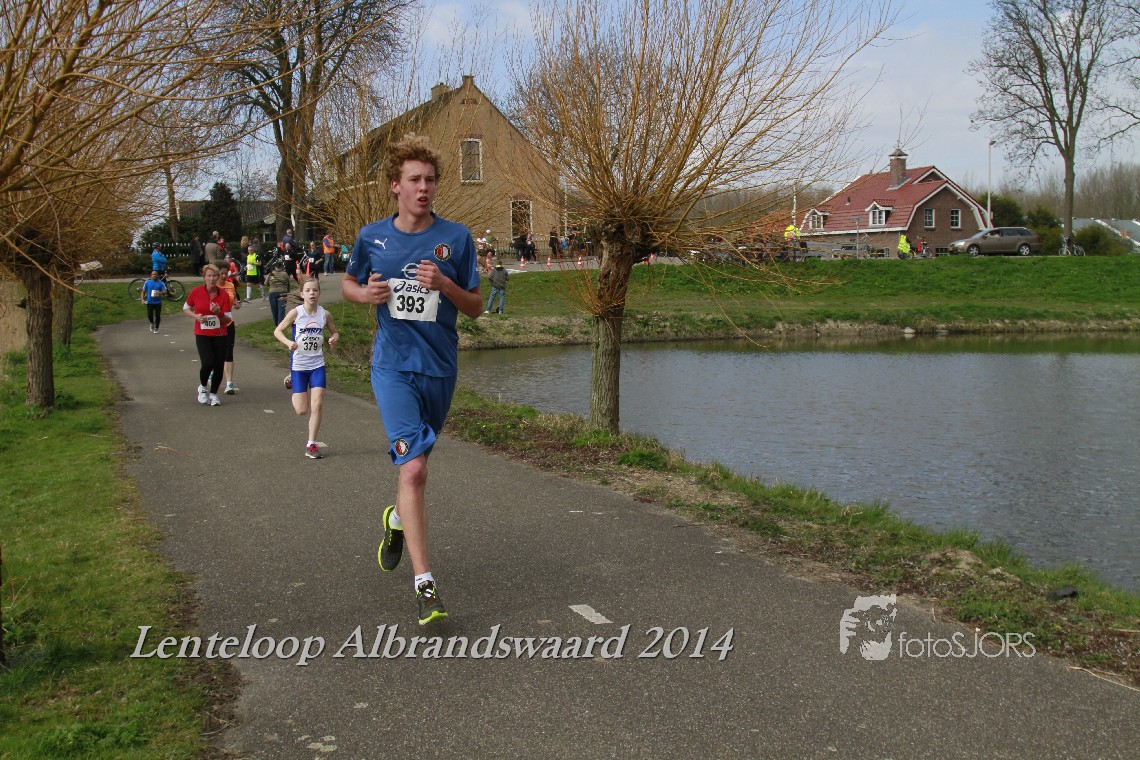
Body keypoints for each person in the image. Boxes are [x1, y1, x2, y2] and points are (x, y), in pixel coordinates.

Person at [342, 133, 482, 626]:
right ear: (394, 186)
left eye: (431, 180)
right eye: (415, 180)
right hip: (392, 367)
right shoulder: (372, 237)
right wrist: (365, 296)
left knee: (415, 469)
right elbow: (348, 282)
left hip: (439, 367)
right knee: (415, 470)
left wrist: (445, 285)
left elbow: (476, 306)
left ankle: (397, 519)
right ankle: (426, 586)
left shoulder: (457, 238)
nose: (424, 188)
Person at [274, 277, 340, 459]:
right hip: (299, 366)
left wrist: (334, 338)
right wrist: (289, 343)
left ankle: (311, 444)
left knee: (317, 404)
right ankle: (291, 379)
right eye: (308, 290)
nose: (312, 293)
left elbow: (335, 332)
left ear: (319, 293)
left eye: (315, 290)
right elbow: (277, 331)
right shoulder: (296, 313)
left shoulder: (325, 314)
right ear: (302, 294)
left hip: (317, 365)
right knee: (301, 410)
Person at [182, 264, 233, 406]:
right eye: (209, 276)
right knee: (208, 363)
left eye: (214, 276)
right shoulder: (196, 292)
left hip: (220, 334)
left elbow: (228, 319)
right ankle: (203, 387)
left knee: (218, 365)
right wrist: (196, 316)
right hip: (202, 333)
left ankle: (214, 394)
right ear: (204, 277)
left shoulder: (223, 295)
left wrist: (219, 313)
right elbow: (186, 308)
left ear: (218, 277)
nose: (212, 279)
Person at [218, 255, 243, 394]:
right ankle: (213, 372)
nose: (223, 276)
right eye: (220, 273)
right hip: (215, 324)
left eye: (225, 273)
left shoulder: (230, 285)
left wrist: (236, 304)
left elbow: (234, 301)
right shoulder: (212, 287)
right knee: (216, 352)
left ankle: (229, 383)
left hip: (229, 322)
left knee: (228, 352)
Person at [266, 260, 292, 328]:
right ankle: (280, 324)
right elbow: (288, 283)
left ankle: (276, 324)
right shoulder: (285, 274)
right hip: (283, 292)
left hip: (272, 292)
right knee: (281, 309)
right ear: (282, 267)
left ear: (275, 267)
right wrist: (288, 291)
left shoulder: (271, 274)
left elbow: (265, 283)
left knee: (274, 309)